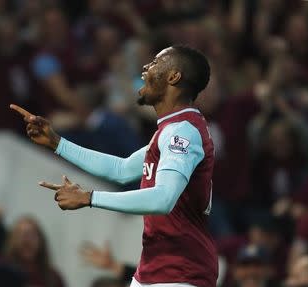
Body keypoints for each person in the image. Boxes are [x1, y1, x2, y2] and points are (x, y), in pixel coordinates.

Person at [11, 45, 217, 287]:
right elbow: (122, 169)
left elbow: (163, 199)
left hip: (182, 273)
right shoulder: (172, 129)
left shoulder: (183, 131)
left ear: (174, 77)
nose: (145, 69)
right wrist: (57, 143)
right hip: (155, 269)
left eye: (155, 63)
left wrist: (89, 198)